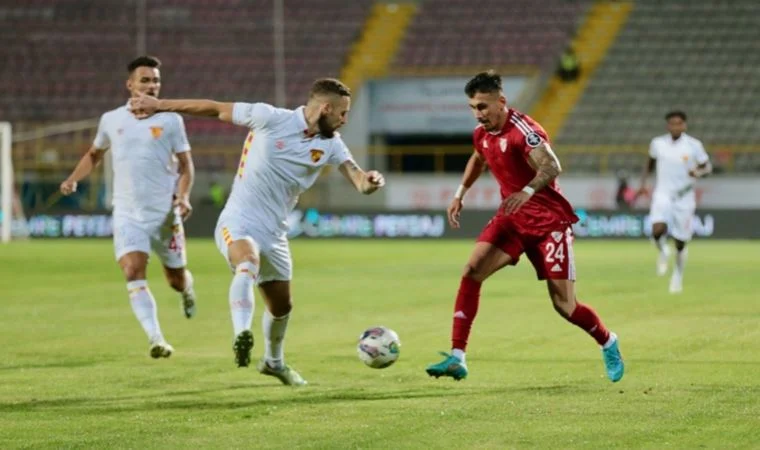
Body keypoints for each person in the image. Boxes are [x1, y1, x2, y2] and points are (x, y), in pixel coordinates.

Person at [129, 78, 386, 386]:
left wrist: (371, 181)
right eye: (342, 113)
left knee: (282, 307)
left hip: (275, 233)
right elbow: (214, 108)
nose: (345, 119)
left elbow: (360, 181)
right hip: (239, 220)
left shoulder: (331, 144)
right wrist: (159, 105)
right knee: (247, 262)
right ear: (326, 109)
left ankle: (274, 363)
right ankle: (242, 333)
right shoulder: (270, 118)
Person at [425, 70, 624, 383]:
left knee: (565, 305)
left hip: (549, 223)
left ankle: (608, 341)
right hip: (513, 218)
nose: (478, 114)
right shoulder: (482, 134)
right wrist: (460, 194)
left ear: (501, 101)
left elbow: (552, 165)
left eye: (483, 107)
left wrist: (527, 191)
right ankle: (457, 357)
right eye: (473, 108)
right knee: (472, 271)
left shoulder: (524, 131)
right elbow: (478, 158)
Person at [60, 56, 197, 359]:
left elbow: (187, 166)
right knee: (133, 271)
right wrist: (73, 179)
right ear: (130, 84)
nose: (152, 85)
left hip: (164, 215)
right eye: (145, 80)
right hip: (127, 213)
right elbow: (94, 155)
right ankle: (156, 338)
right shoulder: (111, 120)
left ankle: (188, 289)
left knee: (175, 280)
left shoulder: (171, 120)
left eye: (156, 80)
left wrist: (184, 196)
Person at [636, 111, 711, 293]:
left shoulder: (694, 145)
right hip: (663, 193)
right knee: (657, 230)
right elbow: (650, 164)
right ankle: (663, 251)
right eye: (672, 123)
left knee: (680, 242)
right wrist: (643, 184)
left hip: (684, 197)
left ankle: (677, 275)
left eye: (679, 123)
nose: (675, 127)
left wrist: (698, 172)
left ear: (684, 125)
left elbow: (707, 167)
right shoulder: (658, 143)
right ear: (667, 126)